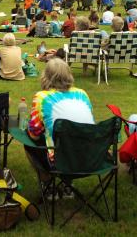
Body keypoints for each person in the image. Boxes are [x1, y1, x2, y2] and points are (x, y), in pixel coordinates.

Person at [25, 58, 94, 186]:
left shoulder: (42, 97)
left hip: (61, 161)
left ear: (46, 77)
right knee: (69, 135)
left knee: (28, 142)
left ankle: (47, 184)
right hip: (90, 156)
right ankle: (67, 185)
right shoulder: (82, 94)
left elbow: (34, 135)